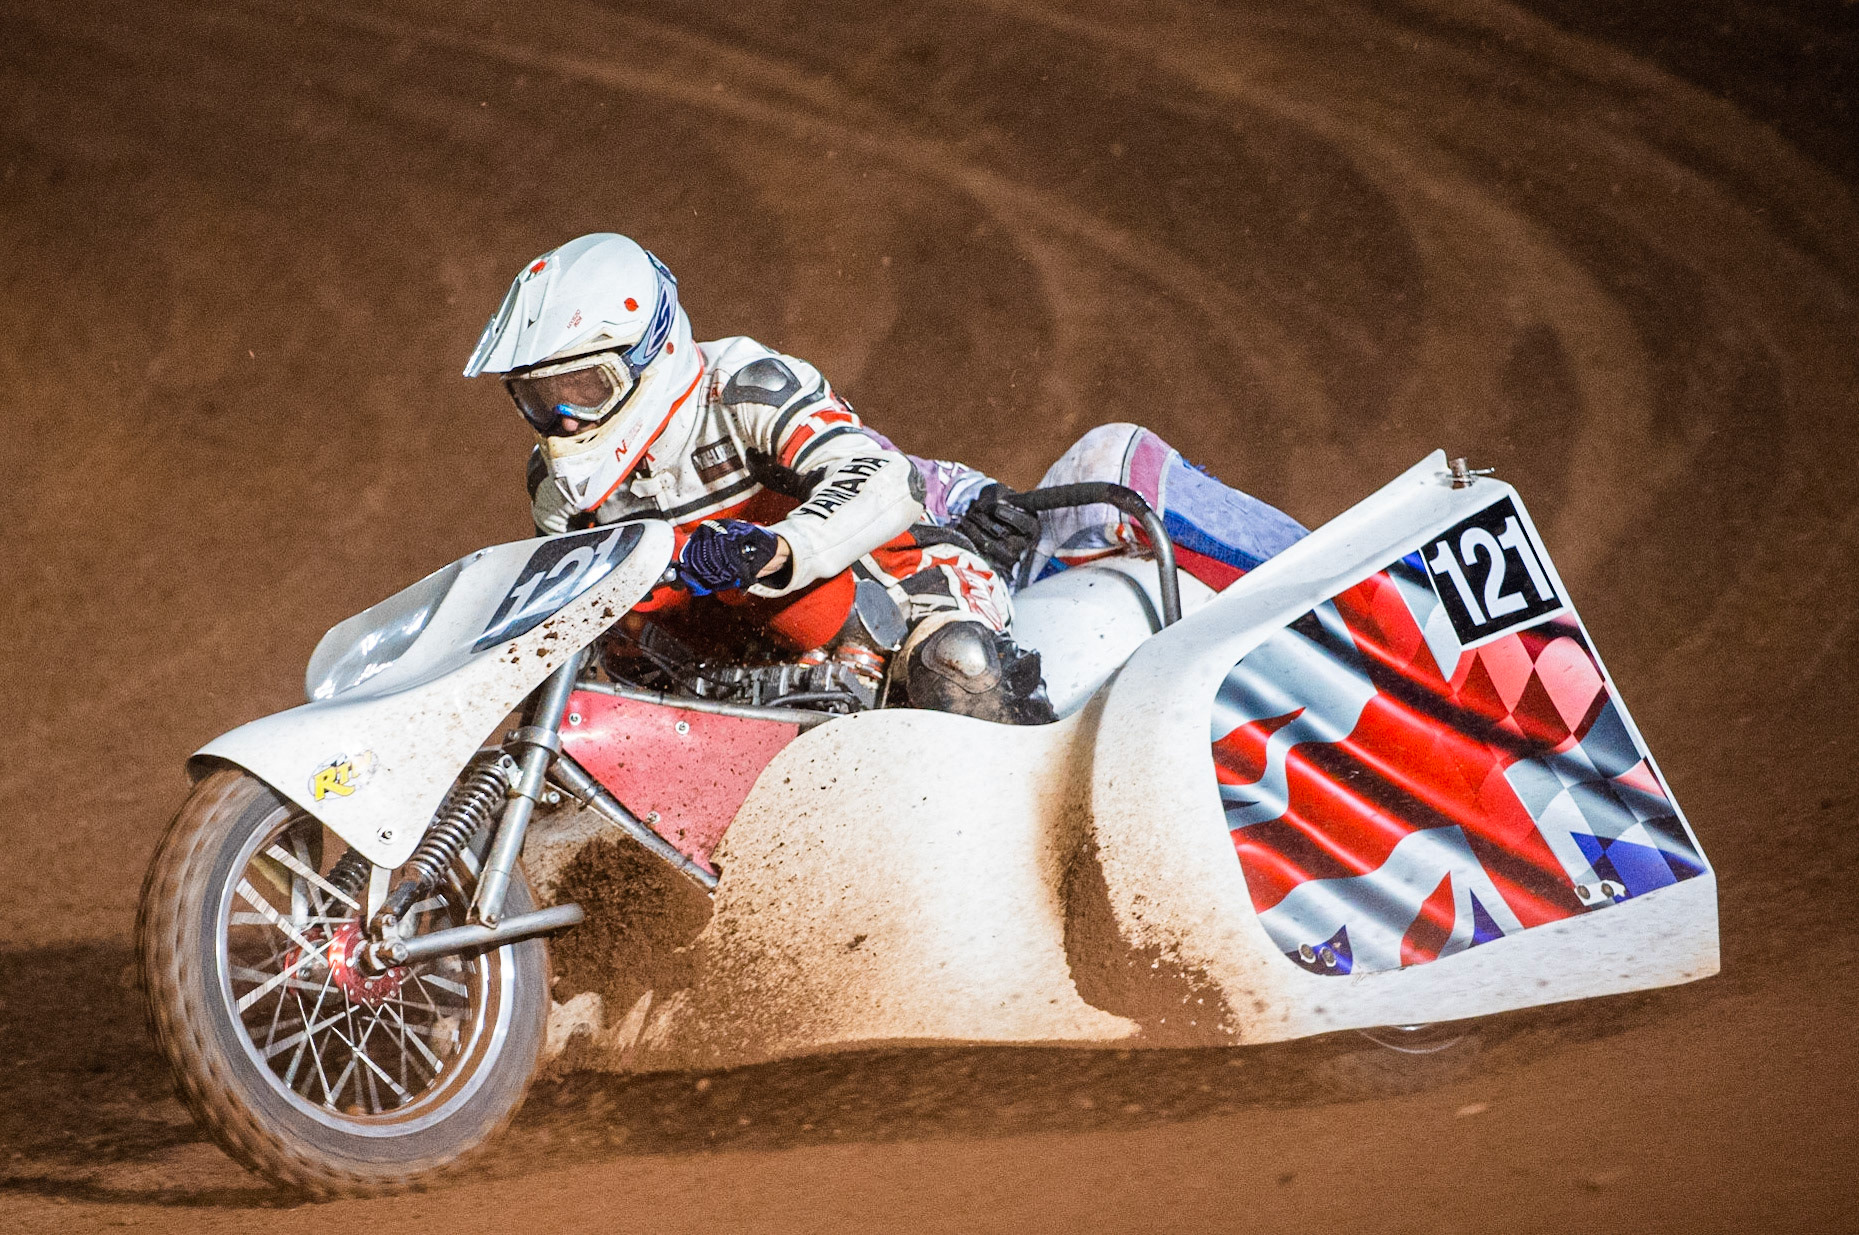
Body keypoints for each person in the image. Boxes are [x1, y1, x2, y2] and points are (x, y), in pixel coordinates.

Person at [465, 233, 1308, 724]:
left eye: (582, 390)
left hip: (907, 575)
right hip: (744, 671)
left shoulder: (746, 386)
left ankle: (1339, 584)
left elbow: (882, 477)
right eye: (538, 401)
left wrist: (767, 547)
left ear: (647, 356)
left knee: (965, 652)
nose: (565, 422)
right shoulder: (561, 491)